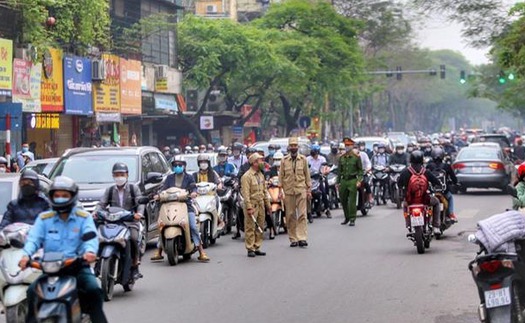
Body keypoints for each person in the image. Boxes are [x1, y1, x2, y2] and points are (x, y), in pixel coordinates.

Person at [20, 176, 108, 323]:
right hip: (50, 270)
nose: (60, 198)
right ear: (51, 197)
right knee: (31, 292)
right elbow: (33, 240)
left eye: (64, 195)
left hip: (77, 268)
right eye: (57, 195)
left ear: (72, 196)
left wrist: (90, 252)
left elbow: (90, 237)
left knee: (94, 290)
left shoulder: (83, 217)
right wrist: (25, 256)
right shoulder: (44, 218)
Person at [151, 156, 210, 262]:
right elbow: (163, 189)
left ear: (184, 166)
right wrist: (158, 195)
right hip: (169, 205)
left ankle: (201, 251)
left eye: (180, 165)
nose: (177, 167)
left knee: (192, 226)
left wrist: (193, 192)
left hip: (185, 205)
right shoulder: (169, 178)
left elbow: (193, 187)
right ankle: (159, 251)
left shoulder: (189, 177)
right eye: (175, 165)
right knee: (161, 224)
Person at [95, 163, 144, 280]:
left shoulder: (133, 188)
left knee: (132, 238)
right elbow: (101, 204)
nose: (119, 177)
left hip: (130, 222)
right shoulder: (110, 190)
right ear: (113, 176)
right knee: (100, 237)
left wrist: (139, 214)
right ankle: (98, 263)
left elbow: (140, 203)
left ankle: (134, 265)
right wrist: (96, 212)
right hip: (114, 222)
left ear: (127, 175)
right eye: (117, 175)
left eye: (122, 174)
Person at [397, 151, 441, 235]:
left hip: (410, 201)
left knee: (405, 207)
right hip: (425, 200)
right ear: (422, 160)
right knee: (436, 202)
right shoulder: (426, 172)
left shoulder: (405, 172)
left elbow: (399, 184)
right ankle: (436, 226)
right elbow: (436, 181)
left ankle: (409, 224)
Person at [279, 137, 311, 247]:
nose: (293, 147)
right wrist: (280, 190)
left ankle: (302, 237)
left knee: (302, 214)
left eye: (295, 145)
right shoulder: (284, 160)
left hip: (301, 189)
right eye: (291, 146)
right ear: (289, 147)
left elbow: (307, 175)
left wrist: (309, 190)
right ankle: (293, 238)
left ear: (298, 147)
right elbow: (281, 176)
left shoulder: (303, 159)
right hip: (288, 191)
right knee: (290, 215)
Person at [241, 153, 271, 257]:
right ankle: (250, 248)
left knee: (260, 226)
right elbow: (246, 194)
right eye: (260, 161)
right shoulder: (246, 176)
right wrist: (249, 207)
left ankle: (257, 246)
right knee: (250, 227)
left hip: (261, 203)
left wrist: (268, 205)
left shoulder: (261, 175)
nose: (262, 163)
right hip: (252, 205)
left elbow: (264, 191)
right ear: (254, 163)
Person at [193, 154, 225, 230]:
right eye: (201, 162)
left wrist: (219, 185)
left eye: (205, 162)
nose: (203, 164)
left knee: (217, 203)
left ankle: (219, 220)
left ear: (208, 163)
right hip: (198, 196)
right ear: (198, 164)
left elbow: (219, 181)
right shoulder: (195, 175)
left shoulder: (213, 173)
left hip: (211, 196)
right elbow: (191, 184)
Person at [426, 147, 458, 222]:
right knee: (450, 197)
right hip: (444, 192)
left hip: (432, 191)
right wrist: (455, 183)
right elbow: (454, 179)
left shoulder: (429, 166)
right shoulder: (447, 166)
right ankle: (451, 214)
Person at [338, 138, 363, 226]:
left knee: (352, 201)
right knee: (343, 200)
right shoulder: (341, 157)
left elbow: (360, 170)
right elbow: (339, 171)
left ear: (352, 146)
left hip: (352, 180)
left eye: (349, 145)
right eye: (346, 145)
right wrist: (338, 183)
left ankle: (352, 218)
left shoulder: (356, 157)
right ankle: (346, 217)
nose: (347, 147)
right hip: (343, 180)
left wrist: (359, 180)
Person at [307, 144, 330, 216]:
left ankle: (327, 209)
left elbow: (325, 167)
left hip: (319, 178)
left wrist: (324, 172)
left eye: (315, 152)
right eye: (313, 152)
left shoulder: (322, 159)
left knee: (323, 192)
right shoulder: (307, 159)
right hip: (310, 179)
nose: (314, 154)